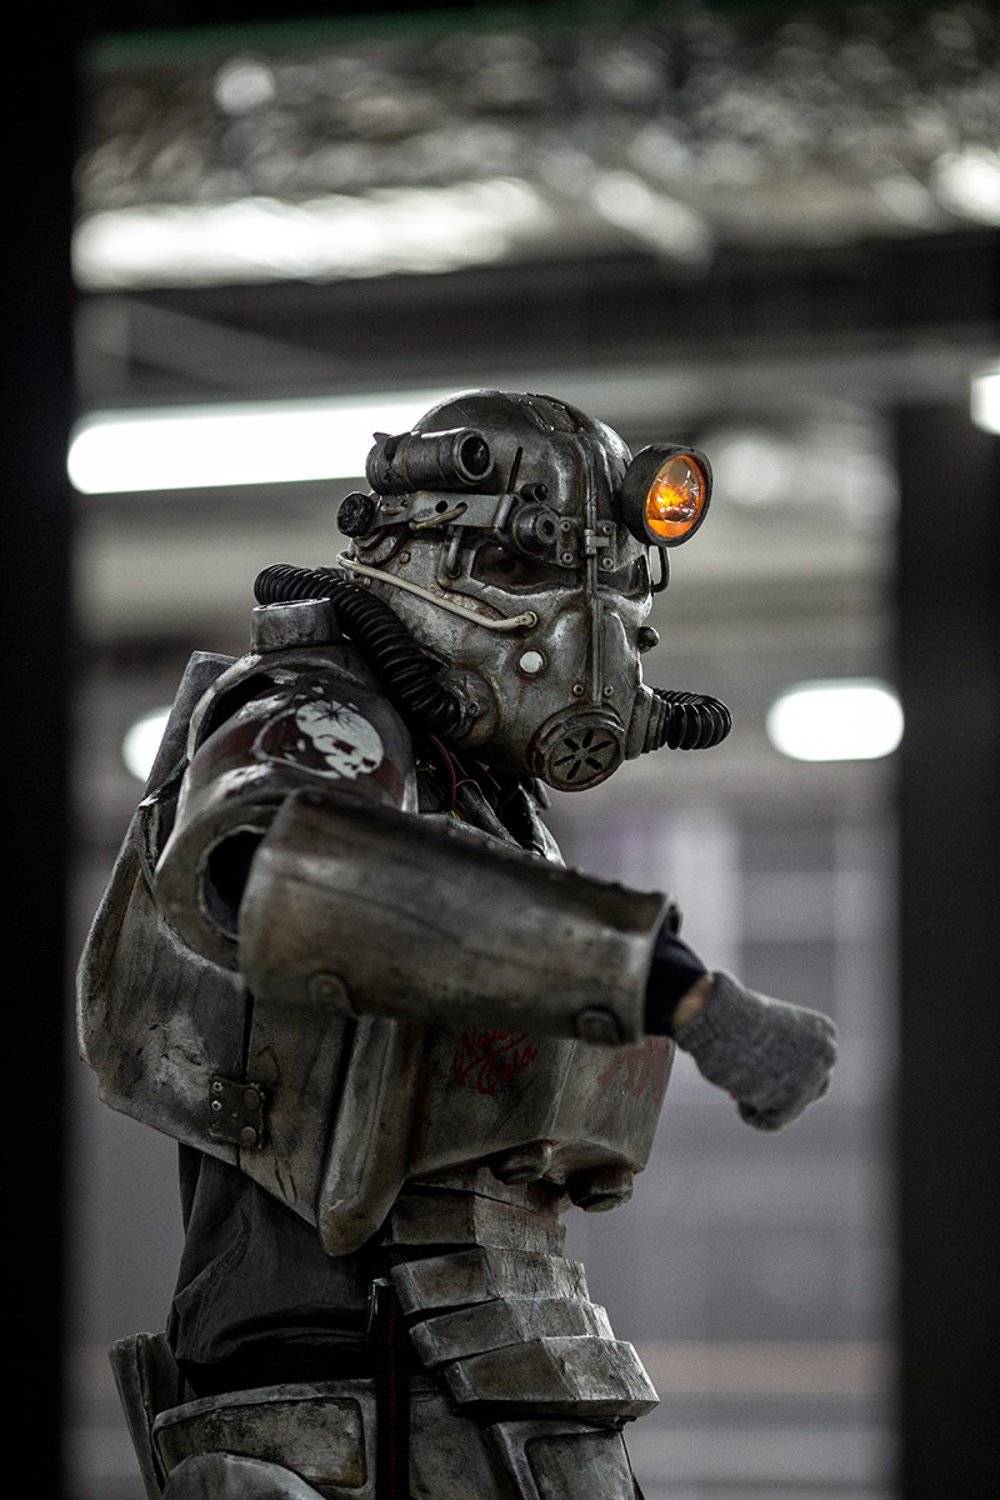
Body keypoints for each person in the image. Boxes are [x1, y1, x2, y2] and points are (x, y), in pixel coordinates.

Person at [79, 390, 836, 1499]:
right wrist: (671, 987)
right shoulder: (314, 705)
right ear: (406, 561)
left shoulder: (481, 796)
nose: (588, 631)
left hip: (511, 1363)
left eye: (619, 586)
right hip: (340, 1381)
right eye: (521, 570)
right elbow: (277, 867)